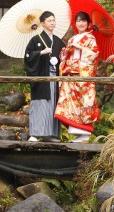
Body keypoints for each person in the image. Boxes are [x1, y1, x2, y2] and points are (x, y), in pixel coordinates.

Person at [54, 11, 100, 143]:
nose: (81, 23)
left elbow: (94, 54)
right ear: (75, 24)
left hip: (83, 76)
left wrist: (81, 47)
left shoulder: (91, 38)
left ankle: (84, 133)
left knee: (84, 104)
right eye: (78, 21)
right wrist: (65, 52)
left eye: (83, 21)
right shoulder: (72, 38)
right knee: (69, 103)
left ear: (88, 23)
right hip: (71, 75)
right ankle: (78, 133)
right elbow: (65, 58)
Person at [23, 10, 65, 142]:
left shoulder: (58, 42)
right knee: (40, 104)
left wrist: (60, 59)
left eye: (53, 20)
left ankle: (49, 134)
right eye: (49, 21)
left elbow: (65, 58)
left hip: (55, 78)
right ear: (42, 23)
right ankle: (35, 133)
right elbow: (28, 57)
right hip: (41, 77)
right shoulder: (35, 40)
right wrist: (41, 52)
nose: (52, 23)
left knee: (53, 105)